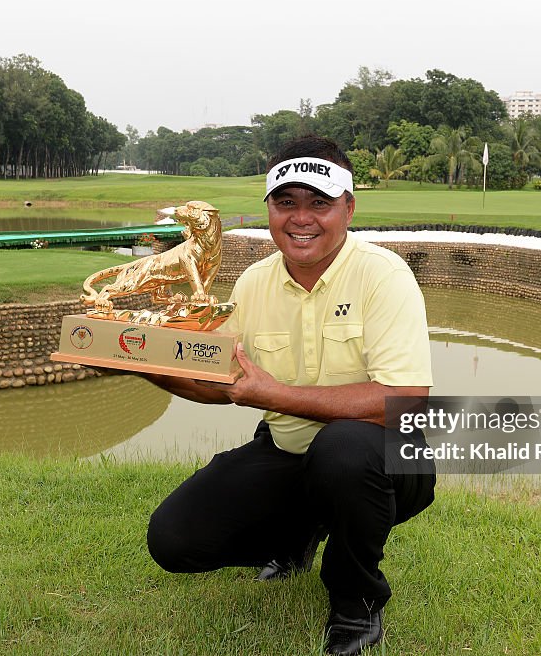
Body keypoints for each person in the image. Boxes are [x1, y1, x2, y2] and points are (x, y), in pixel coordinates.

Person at [142, 135, 435, 656]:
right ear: (270, 209)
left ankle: (355, 604)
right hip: (290, 450)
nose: (302, 218)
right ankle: (298, 535)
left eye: (319, 203)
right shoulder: (255, 282)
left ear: (348, 208)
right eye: (286, 202)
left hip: (387, 457)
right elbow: (222, 382)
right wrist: (143, 365)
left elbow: (406, 399)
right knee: (174, 538)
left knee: (342, 452)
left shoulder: (383, 275)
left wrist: (273, 393)